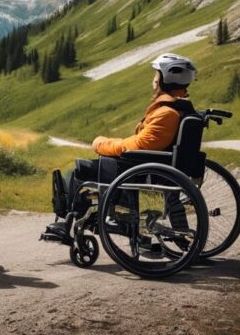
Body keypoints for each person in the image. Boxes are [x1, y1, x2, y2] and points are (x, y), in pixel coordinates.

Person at [44, 53, 197, 240]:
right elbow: (144, 143)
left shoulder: (167, 113)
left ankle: (71, 221)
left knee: (79, 171)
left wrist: (102, 144)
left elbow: (138, 146)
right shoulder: (176, 109)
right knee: (88, 169)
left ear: (166, 80)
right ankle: (96, 220)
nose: (154, 81)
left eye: (157, 76)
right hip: (154, 165)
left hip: (142, 168)